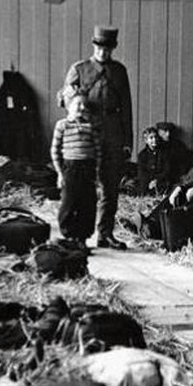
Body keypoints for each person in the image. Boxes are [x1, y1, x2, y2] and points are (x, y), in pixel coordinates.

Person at [63, 25, 133, 250]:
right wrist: (75, 99)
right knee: (84, 187)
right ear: (94, 45)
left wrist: (127, 141)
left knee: (110, 187)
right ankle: (79, 235)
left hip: (113, 134)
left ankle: (105, 234)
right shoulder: (79, 69)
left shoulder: (119, 71)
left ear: (113, 48)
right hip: (86, 135)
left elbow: (127, 107)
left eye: (108, 48)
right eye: (100, 47)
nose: (103, 51)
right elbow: (66, 99)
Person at [51, 91, 102, 250]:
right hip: (70, 168)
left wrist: (97, 172)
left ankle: (82, 238)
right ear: (69, 106)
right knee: (69, 202)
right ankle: (69, 235)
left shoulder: (91, 126)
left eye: (84, 105)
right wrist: (60, 172)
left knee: (87, 204)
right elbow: (55, 150)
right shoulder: (62, 125)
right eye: (77, 104)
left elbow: (98, 151)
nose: (81, 107)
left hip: (88, 168)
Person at [136, 126, 169, 195]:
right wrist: (149, 181)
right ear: (146, 141)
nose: (154, 140)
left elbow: (166, 169)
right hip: (147, 182)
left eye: (155, 137)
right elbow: (142, 172)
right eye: (151, 138)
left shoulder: (163, 153)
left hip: (160, 180)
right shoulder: (142, 155)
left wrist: (157, 180)